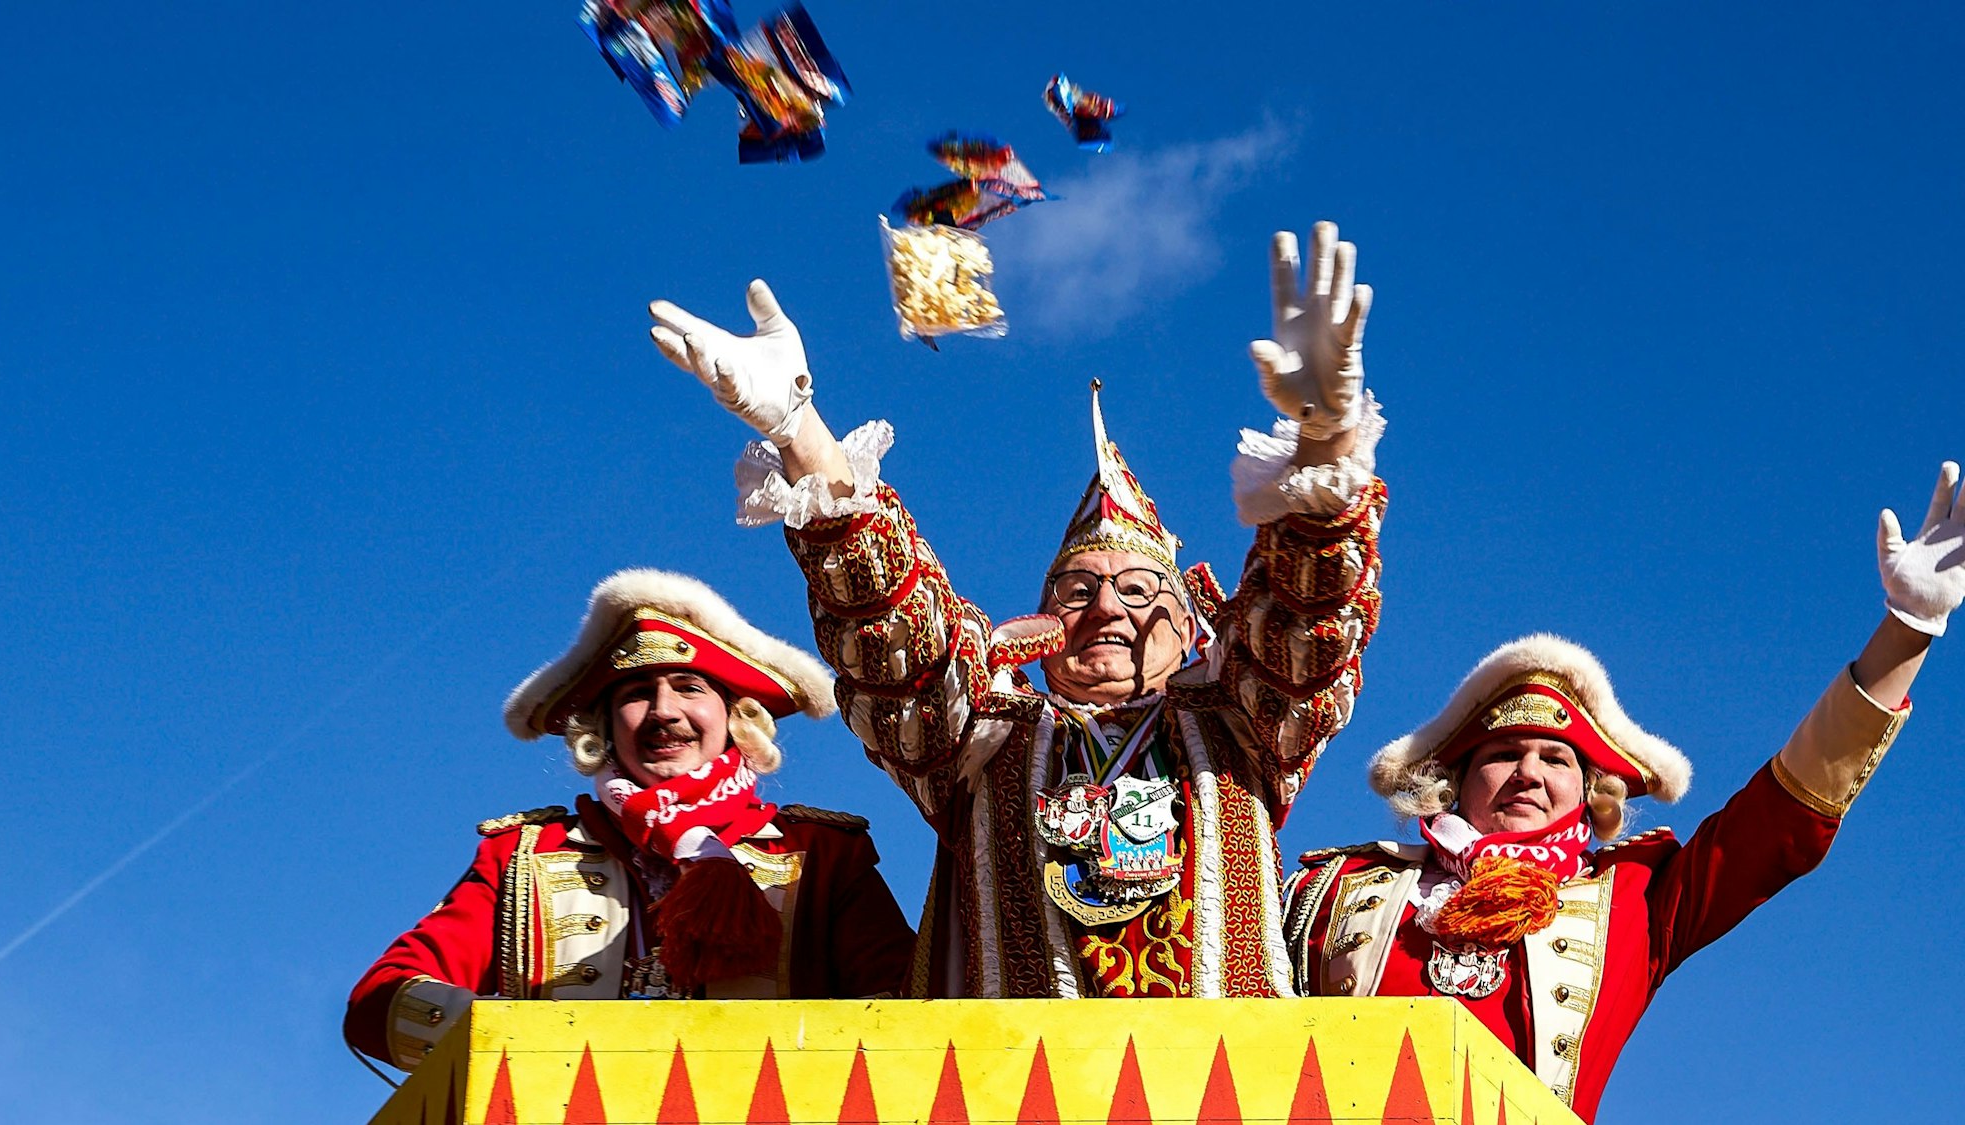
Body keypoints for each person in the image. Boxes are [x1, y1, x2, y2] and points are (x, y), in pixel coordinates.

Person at [646, 222, 1386, 997]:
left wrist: (1326, 444)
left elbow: (1307, 623)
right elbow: (892, 631)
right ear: (1041, 626)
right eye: (1077, 590)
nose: (1106, 606)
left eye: (1138, 590)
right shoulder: (983, 737)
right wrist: (799, 429)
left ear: (1193, 627)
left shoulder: (1239, 726)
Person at [1282, 463, 1964, 1122]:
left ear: (1589, 794)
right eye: (1503, 754)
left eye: (1556, 758)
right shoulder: (1333, 887)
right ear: (1455, 783)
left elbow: (1780, 816)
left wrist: (1907, 628)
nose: (1529, 772)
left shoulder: (1639, 902)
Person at [344, 568, 914, 1072]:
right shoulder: (524, 853)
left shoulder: (820, 853)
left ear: (736, 717)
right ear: (604, 726)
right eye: (638, 694)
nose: (664, 712)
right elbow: (380, 1002)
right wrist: (517, 1044)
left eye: (689, 688)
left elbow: (910, 1015)